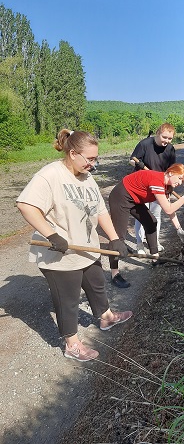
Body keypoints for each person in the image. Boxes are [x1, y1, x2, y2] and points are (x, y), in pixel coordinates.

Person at [16, 128, 133, 362]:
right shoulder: (50, 175)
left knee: (97, 284)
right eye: (89, 159)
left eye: (95, 159)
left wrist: (114, 238)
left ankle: (106, 317)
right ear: (72, 154)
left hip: (86, 248)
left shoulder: (87, 177)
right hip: (60, 254)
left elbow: (100, 209)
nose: (93, 164)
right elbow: (25, 205)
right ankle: (71, 344)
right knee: (67, 299)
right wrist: (51, 235)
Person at [108, 163, 184, 280]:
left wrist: (179, 229)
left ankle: (155, 258)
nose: (180, 182)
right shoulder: (157, 181)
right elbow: (168, 209)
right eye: (180, 178)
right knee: (117, 237)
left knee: (151, 222)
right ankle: (114, 274)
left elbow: (170, 209)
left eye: (183, 180)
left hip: (135, 199)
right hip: (121, 197)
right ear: (171, 173)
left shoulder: (167, 187)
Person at [129, 123, 176, 258]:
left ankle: (154, 242)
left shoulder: (171, 149)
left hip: (159, 185)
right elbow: (132, 160)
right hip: (142, 186)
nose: (166, 141)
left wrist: (169, 187)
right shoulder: (145, 144)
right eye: (164, 137)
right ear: (157, 133)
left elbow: (171, 170)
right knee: (142, 216)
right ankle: (139, 244)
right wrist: (139, 164)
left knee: (156, 215)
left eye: (170, 138)